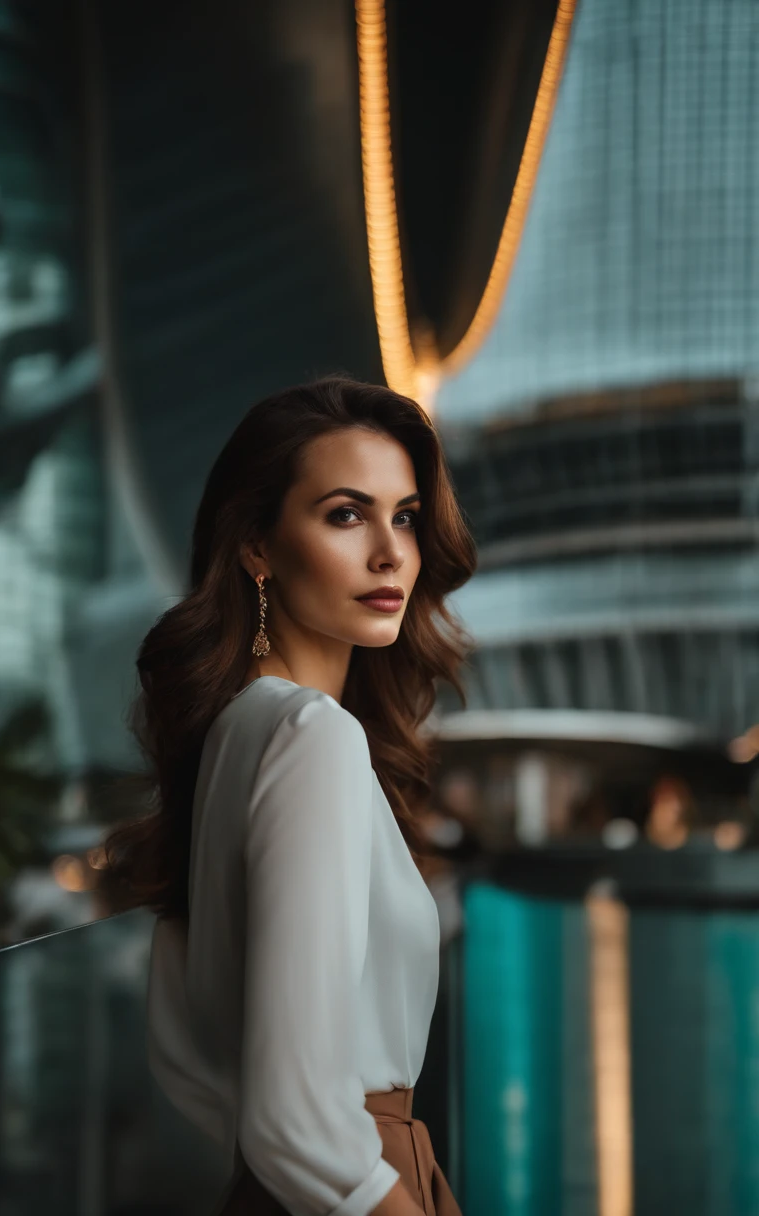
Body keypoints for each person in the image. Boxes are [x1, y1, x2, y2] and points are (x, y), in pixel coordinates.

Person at [102, 377, 476, 1215]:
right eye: (346, 514)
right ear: (258, 546)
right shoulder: (311, 738)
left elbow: (205, 1080)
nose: (390, 552)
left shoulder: (238, 734)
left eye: (406, 516)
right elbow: (294, 1123)